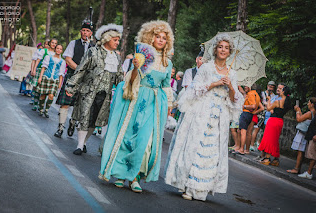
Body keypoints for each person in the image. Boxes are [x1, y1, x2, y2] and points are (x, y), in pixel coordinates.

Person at [164, 34, 243, 201]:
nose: (223, 50)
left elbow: (234, 99)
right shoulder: (206, 68)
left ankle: (199, 189)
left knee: (211, 152)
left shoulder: (233, 74)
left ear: (230, 52)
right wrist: (214, 83)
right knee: (195, 145)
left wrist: (230, 86)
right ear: (215, 49)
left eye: (226, 48)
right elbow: (194, 89)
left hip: (218, 117)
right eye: (220, 47)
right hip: (201, 112)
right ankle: (187, 185)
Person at [99, 20, 174, 193]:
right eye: (158, 36)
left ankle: (135, 177)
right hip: (135, 99)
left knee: (145, 142)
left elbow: (166, 86)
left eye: (164, 38)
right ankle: (119, 174)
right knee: (127, 136)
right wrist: (135, 68)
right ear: (151, 37)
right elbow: (130, 81)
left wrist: (169, 106)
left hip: (154, 105)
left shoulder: (167, 63)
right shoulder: (141, 55)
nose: (161, 40)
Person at [65, 23, 124, 155]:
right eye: (115, 40)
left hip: (105, 95)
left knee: (95, 120)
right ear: (108, 39)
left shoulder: (117, 57)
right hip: (88, 91)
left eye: (118, 40)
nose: (117, 42)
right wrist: (71, 85)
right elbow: (81, 69)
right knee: (85, 116)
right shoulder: (93, 52)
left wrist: (126, 89)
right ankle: (80, 145)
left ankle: (84, 142)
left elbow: (120, 77)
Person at [54, 21, 94, 138]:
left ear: (90, 33)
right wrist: (79, 69)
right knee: (65, 103)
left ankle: (72, 123)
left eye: (87, 31)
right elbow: (67, 58)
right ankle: (60, 128)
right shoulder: (73, 43)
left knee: (79, 105)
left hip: (85, 79)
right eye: (83, 30)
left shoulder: (93, 47)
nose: (85, 32)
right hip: (72, 76)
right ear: (80, 31)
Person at [258, 85, 291, 166]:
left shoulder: (278, 101)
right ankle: (276, 159)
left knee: (269, 139)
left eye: (280, 89)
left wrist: (269, 100)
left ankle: (267, 158)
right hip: (280, 121)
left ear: (283, 91)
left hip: (273, 121)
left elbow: (269, 108)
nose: (278, 90)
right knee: (275, 140)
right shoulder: (286, 101)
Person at [286, 97, 316, 174]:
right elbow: (303, 119)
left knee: (300, 151)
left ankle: (296, 168)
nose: (308, 104)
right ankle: (297, 168)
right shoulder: (313, 113)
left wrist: (297, 111)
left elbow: (299, 119)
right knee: (301, 151)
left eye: (309, 102)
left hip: (302, 133)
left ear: (312, 104)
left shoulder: (310, 113)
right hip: (306, 133)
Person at [37, 44, 66, 118]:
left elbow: (61, 73)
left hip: (55, 80)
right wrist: (40, 77)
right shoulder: (48, 57)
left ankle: (46, 110)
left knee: (51, 95)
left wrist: (60, 83)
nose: (59, 50)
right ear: (55, 49)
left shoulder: (62, 61)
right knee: (43, 95)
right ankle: (40, 108)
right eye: (57, 48)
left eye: (60, 49)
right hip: (46, 77)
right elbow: (44, 67)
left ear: (62, 51)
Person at [31, 39, 57, 111]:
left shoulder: (56, 53)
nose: (53, 44)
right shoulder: (44, 51)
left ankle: (41, 105)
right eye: (52, 43)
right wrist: (34, 69)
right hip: (40, 70)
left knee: (44, 90)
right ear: (49, 43)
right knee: (37, 88)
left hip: (48, 73)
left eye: (55, 43)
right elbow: (38, 60)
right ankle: (35, 104)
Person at [235, 84, 259, 155]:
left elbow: (253, 106)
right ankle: (241, 148)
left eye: (246, 86)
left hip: (246, 113)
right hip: (250, 114)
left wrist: (244, 106)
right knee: (242, 131)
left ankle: (242, 148)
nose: (245, 87)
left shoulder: (251, 94)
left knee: (243, 131)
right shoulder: (256, 94)